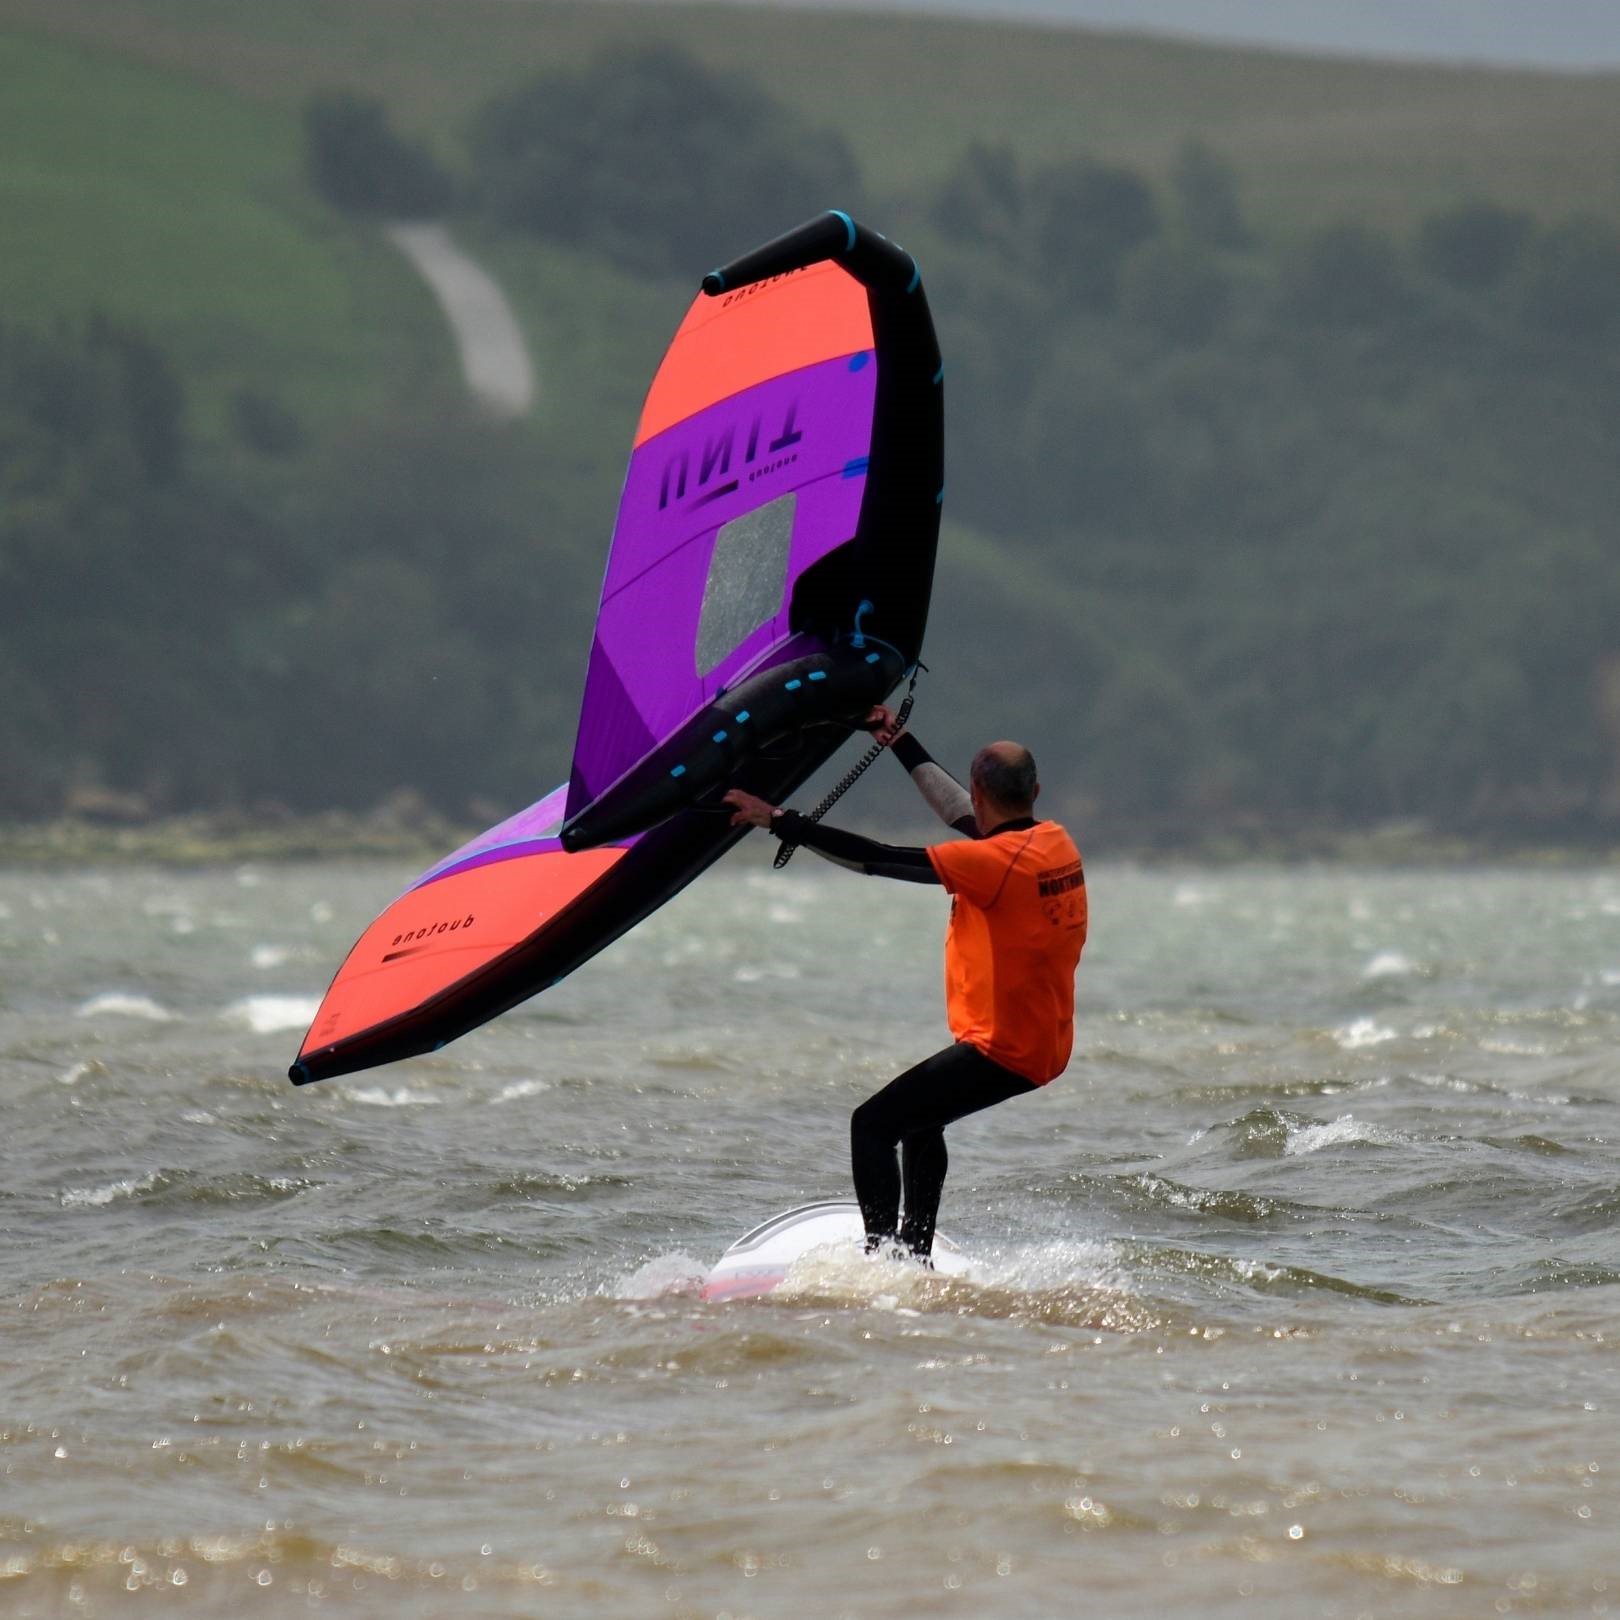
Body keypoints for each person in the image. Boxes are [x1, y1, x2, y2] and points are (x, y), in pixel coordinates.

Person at [723, 709, 1087, 1260]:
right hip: (1045, 1041)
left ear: (979, 790)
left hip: (1005, 1050)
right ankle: (914, 1258)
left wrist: (777, 820)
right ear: (1034, 791)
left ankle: (884, 1263)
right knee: (920, 1124)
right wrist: (897, 741)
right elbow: (964, 815)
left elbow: (877, 858)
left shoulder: (992, 863)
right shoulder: (1052, 843)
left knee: (871, 1125)